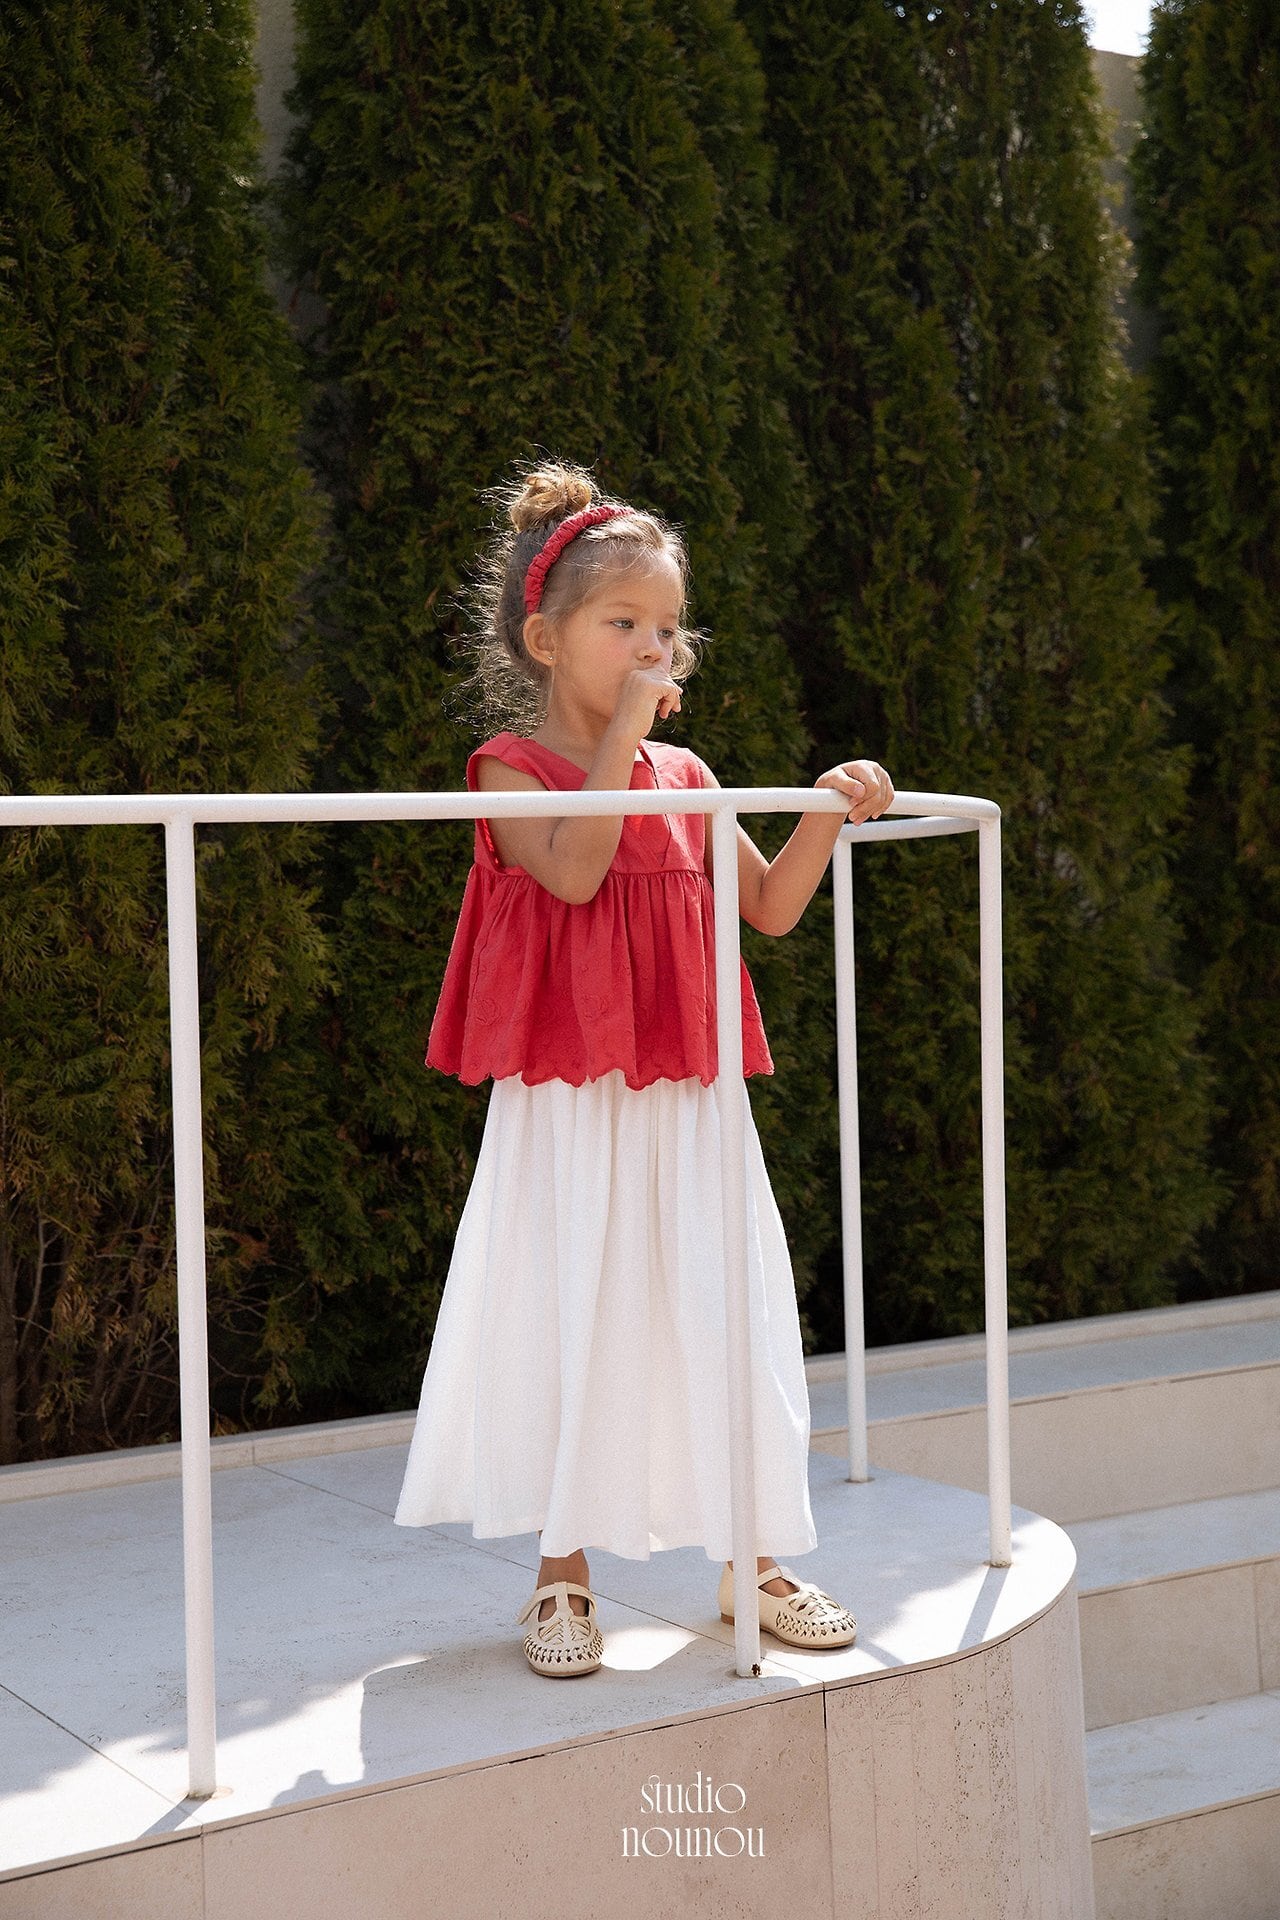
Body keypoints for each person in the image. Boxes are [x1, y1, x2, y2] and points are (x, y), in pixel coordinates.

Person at [393, 459, 895, 1678]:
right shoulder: (508, 768)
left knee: (720, 1302)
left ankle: (751, 1559)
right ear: (545, 639)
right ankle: (560, 1577)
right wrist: (622, 734)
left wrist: (826, 808)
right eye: (622, 624)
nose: (651, 648)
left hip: (687, 1089)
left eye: (665, 628)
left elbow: (768, 908)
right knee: (567, 1300)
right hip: (568, 1095)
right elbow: (571, 871)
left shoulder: (688, 777)